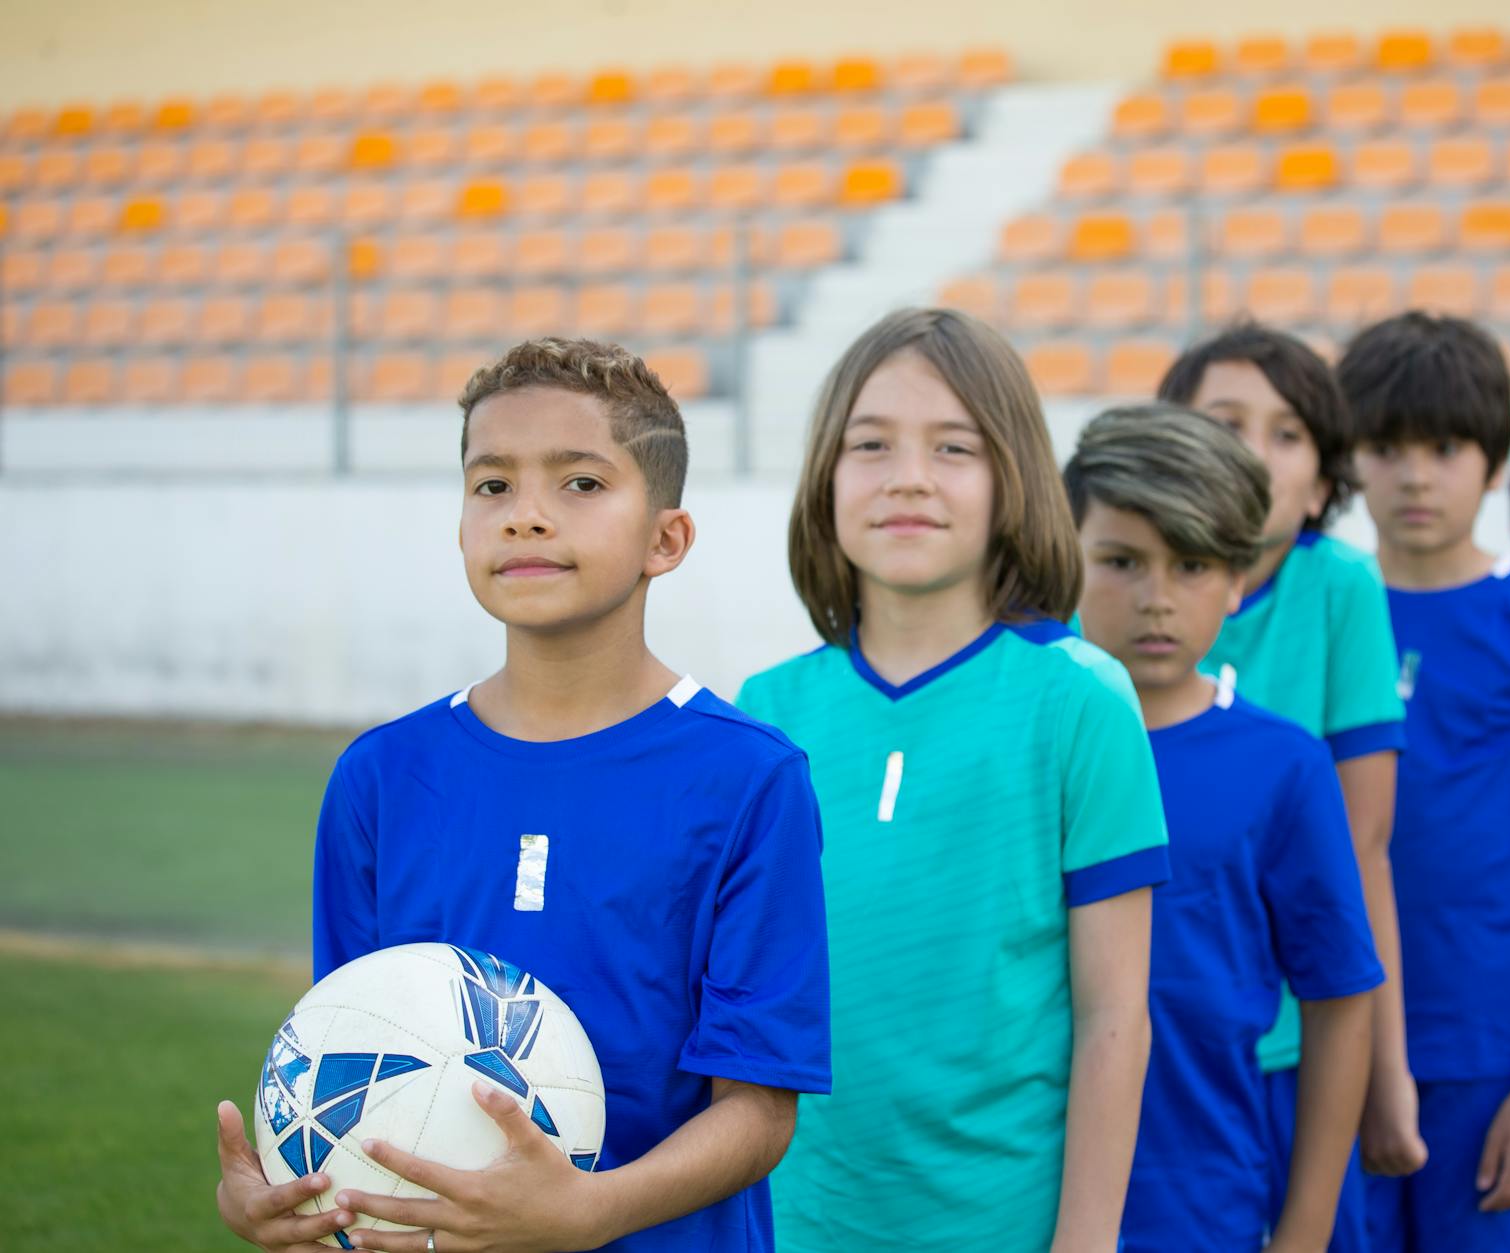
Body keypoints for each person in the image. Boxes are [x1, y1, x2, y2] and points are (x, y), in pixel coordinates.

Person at [213, 338, 832, 1253]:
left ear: (667, 538)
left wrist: (587, 1213)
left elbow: (758, 1113)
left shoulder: (749, 779)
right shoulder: (381, 778)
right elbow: (350, 1057)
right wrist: (288, 1189)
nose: (526, 516)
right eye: (492, 485)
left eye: (580, 483)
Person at [738, 308, 1168, 1252]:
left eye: (954, 447)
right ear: (825, 476)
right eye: (871, 444)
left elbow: (1113, 1015)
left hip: (1002, 1223)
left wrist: (1085, 1242)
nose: (908, 478)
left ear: (1012, 476)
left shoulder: (1080, 698)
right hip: (798, 1223)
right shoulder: (765, 710)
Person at [1066, 404, 1382, 1252]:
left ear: (1240, 577)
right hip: (1011, 1193)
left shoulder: (1283, 765)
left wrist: (1308, 1228)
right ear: (1068, 554)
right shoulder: (1023, 734)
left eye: (1194, 563)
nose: (1157, 597)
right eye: (1122, 560)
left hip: (1200, 1202)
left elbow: (1342, 1000)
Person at [1337, 312, 1510, 1252]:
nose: (1415, 474)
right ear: (1351, 460)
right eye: (1386, 447)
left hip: (1484, 1043)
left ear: (1492, 462)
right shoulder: (1324, 610)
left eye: (1446, 448)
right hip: (1331, 1025)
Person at [1158, 323, 1424, 1251]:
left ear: (1321, 478)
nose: (1253, 453)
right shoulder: (1109, 585)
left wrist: (1387, 1070)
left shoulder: (1342, 585)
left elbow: (1363, 846)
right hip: (1144, 1040)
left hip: (1289, 1046)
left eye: (1286, 433)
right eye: (1225, 421)